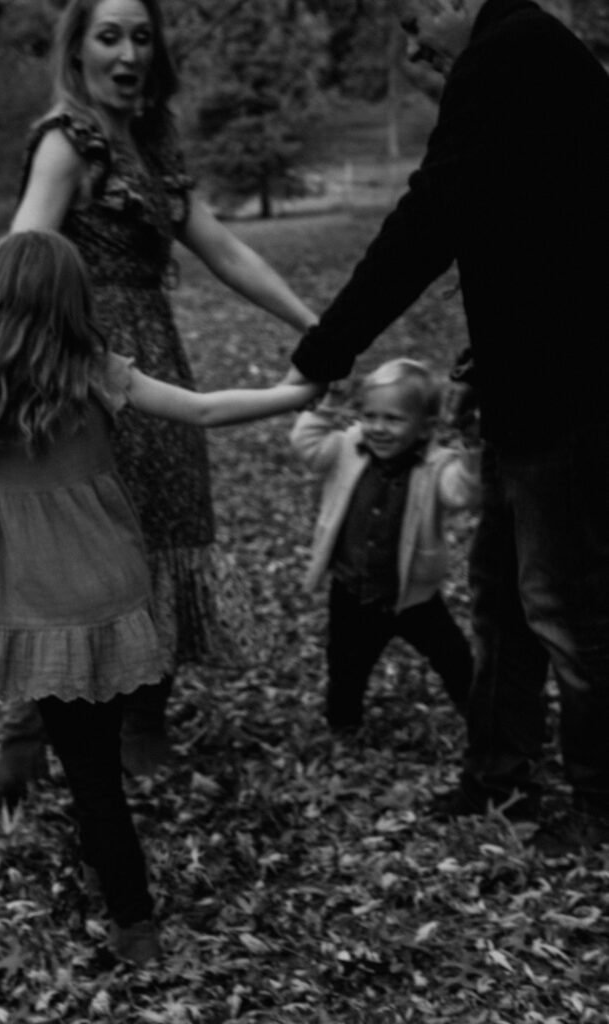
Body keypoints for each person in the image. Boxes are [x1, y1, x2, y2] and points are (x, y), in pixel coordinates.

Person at [0, 230, 316, 966]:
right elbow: (202, 411)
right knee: (96, 760)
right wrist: (296, 393)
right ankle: (106, 873)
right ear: (75, 300)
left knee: (88, 771)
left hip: (36, 603)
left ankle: (132, 918)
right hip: (108, 587)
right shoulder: (95, 372)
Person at [287, 0, 609, 845]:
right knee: (501, 599)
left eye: (411, 23)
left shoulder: (509, 54)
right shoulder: (529, 55)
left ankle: (597, 801)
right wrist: (490, 356)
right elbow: (541, 233)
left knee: (568, 609)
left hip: (568, 396)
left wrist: (327, 347)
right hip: (525, 386)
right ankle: (498, 777)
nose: (412, 46)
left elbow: (433, 216)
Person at [0, 0, 318, 810]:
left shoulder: (153, 145)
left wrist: (317, 329)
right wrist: (21, 371)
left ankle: (141, 718)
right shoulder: (67, 141)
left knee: (164, 528)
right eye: (109, 36)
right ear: (77, 50)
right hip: (82, 368)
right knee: (82, 544)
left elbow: (225, 250)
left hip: (155, 355)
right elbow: (24, 255)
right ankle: (29, 732)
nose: (128, 53)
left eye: (141, 36)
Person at [291, 358, 479, 732]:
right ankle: (343, 728)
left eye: (393, 419)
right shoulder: (347, 447)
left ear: (425, 427)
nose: (378, 427)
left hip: (413, 594)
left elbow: (463, 493)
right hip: (351, 590)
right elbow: (306, 444)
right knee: (345, 665)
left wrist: (472, 446)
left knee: (454, 656)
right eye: (370, 415)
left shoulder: (437, 465)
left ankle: (481, 715)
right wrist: (329, 405)